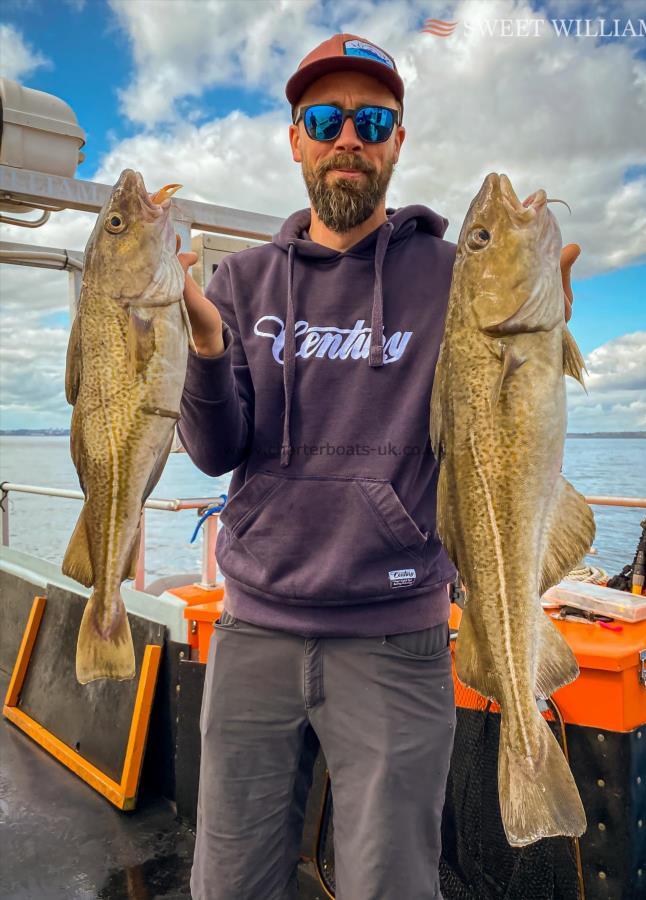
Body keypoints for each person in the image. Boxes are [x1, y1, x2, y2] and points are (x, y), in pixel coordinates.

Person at [177, 33, 579, 900]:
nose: (347, 137)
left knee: (390, 884)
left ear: (397, 139)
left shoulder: (447, 274)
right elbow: (213, 452)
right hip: (253, 634)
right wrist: (206, 349)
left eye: (372, 119)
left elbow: (498, 432)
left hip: (398, 639)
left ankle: (527, 751)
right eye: (325, 119)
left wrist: (540, 328)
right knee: (228, 883)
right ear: (295, 140)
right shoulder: (241, 283)